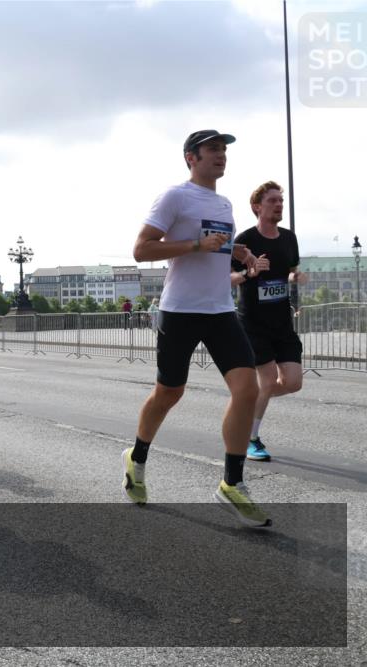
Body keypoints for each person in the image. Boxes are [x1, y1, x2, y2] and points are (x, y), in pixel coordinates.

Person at [125, 129, 268, 528]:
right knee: (169, 393)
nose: (221, 156)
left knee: (247, 389)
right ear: (191, 157)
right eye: (213, 150)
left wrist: (236, 251)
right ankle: (136, 459)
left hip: (221, 309)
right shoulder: (175, 196)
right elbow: (142, 249)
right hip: (180, 310)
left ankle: (231, 483)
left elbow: (214, 247)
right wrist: (193, 247)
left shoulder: (224, 202)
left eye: (223, 150)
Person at [231, 181, 307, 462]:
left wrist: (294, 277)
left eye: (281, 201)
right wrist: (249, 273)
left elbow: (286, 272)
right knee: (265, 380)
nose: (279, 205)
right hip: (253, 323)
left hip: (282, 324)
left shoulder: (289, 238)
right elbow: (226, 278)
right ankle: (250, 439)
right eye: (273, 200)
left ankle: (246, 405)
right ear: (257, 207)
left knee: (293, 382)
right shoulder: (245, 239)